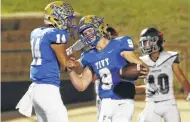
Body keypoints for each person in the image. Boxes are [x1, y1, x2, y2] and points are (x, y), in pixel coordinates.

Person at [67, 15, 149, 122]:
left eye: (90, 30)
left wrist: (141, 67)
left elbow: (137, 62)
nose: (88, 35)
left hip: (123, 100)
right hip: (105, 102)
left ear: (99, 28)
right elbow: (81, 85)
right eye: (84, 33)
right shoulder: (89, 56)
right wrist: (70, 70)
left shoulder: (120, 44)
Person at [16, 1, 75, 122]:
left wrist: (71, 51)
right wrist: (75, 63)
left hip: (36, 89)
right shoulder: (56, 34)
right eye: (66, 17)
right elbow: (64, 64)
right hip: (48, 90)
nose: (68, 21)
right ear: (56, 18)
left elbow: (52, 54)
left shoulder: (37, 32)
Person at [136, 27, 190, 122]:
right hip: (151, 103)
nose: (145, 46)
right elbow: (137, 82)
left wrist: (189, 91)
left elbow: (181, 77)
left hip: (169, 103)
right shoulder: (141, 61)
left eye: (148, 42)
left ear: (157, 41)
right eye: (144, 43)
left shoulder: (170, 57)